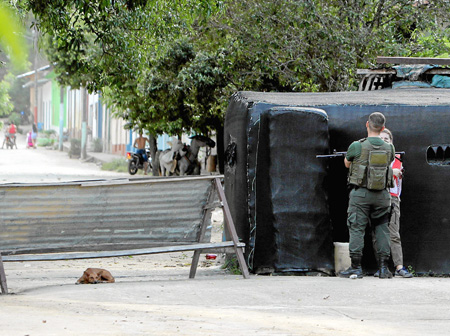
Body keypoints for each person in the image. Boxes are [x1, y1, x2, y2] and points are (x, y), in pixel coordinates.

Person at [339, 112, 395, 279]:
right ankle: (384, 269)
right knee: (382, 229)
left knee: (357, 228)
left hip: (361, 195)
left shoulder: (357, 146)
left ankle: (356, 267)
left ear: (367, 124)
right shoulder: (389, 148)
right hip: (383, 196)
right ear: (383, 128)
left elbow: (347, 164)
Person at [373, 128, 413, 278]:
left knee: (393, 233)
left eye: (387, 139)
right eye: (381, 139)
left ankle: (399, 267)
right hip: (377, 197)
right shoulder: (373, 157)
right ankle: (381, 267)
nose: (384, 142)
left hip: (392, 198)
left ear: (392, 143)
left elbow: (391, 175)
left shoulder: (396, 159)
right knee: (377, 234)